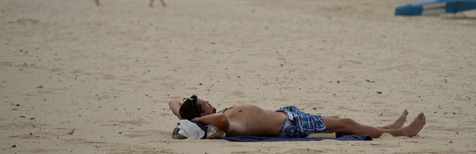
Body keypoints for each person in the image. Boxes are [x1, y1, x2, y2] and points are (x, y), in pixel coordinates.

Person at [168, 96, 426, 139]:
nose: (210, 101)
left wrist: (188, 115)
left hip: (287, 115)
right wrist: (199, 121)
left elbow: (174, 103)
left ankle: (386, 128)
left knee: (339, 120)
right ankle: (401, 133)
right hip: (290, 125)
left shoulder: (212, 115)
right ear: (204, 113)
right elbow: (223, 123)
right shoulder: (220, 122)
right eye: (205, 103)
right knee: (346, 124)